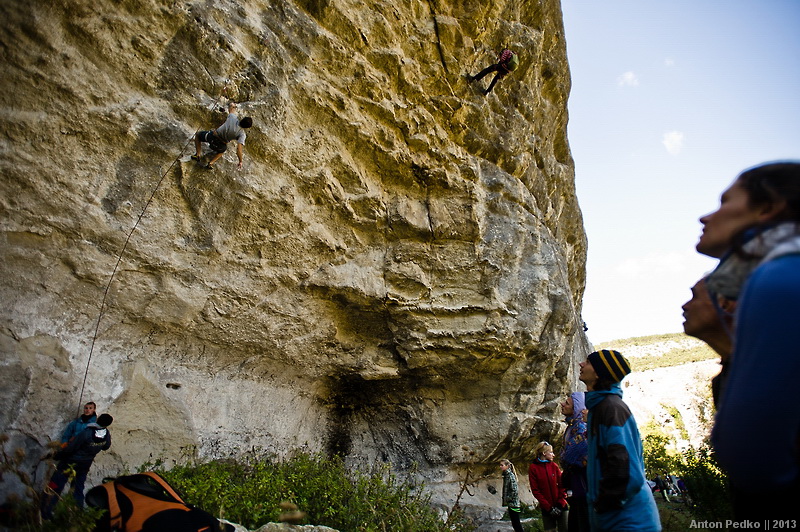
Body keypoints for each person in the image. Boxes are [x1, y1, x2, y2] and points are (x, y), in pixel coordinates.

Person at [696, 161, 800, 519]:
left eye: (726, 202)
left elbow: (749, 452)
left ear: (769, 206)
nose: (705, 217)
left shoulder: (778, 278)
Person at [579, 349, 660, 532]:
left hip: (628, 519)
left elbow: (622, 463)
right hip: (617, 516)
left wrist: (603, 503)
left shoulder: (611, 408)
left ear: (599, 373)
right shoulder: (602, 407)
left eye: (588, 362)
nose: (581, 364)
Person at [42, 413, 113, 517]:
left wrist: (58, 455)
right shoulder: (106, 434)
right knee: (78, 489)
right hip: (85, 465)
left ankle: (46, 512)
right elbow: (106, 446)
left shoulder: (87, 432)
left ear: (98, 420)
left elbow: (72, 448)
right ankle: (77, 514)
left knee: (56, 485)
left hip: (70, 462)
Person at [681, 278, 735, 407]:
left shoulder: (772, 367)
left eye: (695, 297)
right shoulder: (723, 380)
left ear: (725, 304)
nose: (684, 306)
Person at [560, 392, 589, 532]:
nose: (563, 405)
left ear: (576, 408)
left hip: (582, 484)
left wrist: (566, 457)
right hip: (576, 484)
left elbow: (570, 455)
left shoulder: (580, 427)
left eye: (567, 403)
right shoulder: (572, 426)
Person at [193, 102, 253, 170]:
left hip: (212, 137)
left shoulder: (233, 117)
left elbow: (231, 109)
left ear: (242, 119)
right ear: (246, 127)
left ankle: (197, 155)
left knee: (198, 135)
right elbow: (239, 149)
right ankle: (211, 163)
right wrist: (240, 161)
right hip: (220, 146)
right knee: (222, 151)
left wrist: (232, 105)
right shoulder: (242, 134)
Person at [528, 441, 569, 532]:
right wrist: (548, 507)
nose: (553, 455)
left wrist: (560, 503)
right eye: (551, 452)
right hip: (547, 508)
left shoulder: (554, 466)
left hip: (561, 505)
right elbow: (535, 490)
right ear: (544, 453)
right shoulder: (533, 468)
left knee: (565, 529)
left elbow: (562, 485)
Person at [499, 459, 525, 532]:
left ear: (507, 466)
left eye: (502, 465)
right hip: (511, 503)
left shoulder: (510, 476)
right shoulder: (506, 475)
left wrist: (508, 499)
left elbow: (514, 490)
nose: (500, 467)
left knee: (516, 524)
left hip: (513, 504)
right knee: (515, 524)